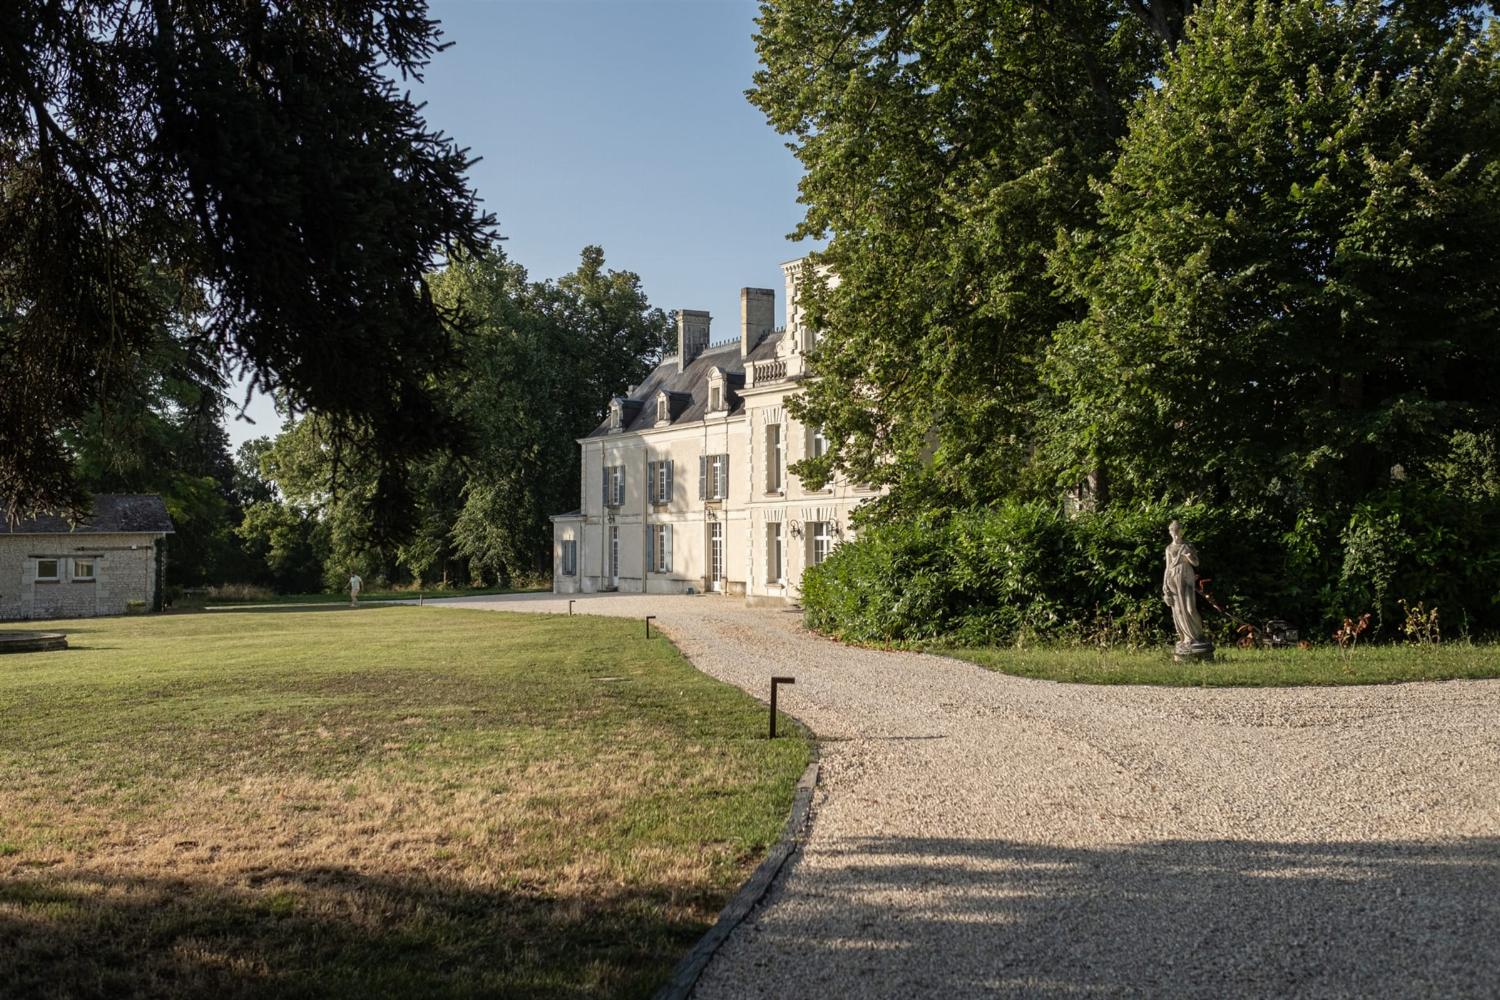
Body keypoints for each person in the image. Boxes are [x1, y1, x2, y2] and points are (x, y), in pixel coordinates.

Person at [1162, 520, 1204, 650]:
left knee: (1190, 609)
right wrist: (1164, 584)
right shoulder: (1169, 548)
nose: (1176, 534)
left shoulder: (1188, 545)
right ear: (1170, 533)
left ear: (1181, 532)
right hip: (1173, 579)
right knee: (1179, 610)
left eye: (1178, 531)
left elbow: (1196, 563)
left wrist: (1189, 557)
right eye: (1173, 532)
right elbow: (1168, 567)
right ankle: (1187, 639)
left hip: (1186, 577)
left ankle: (1198, 636)